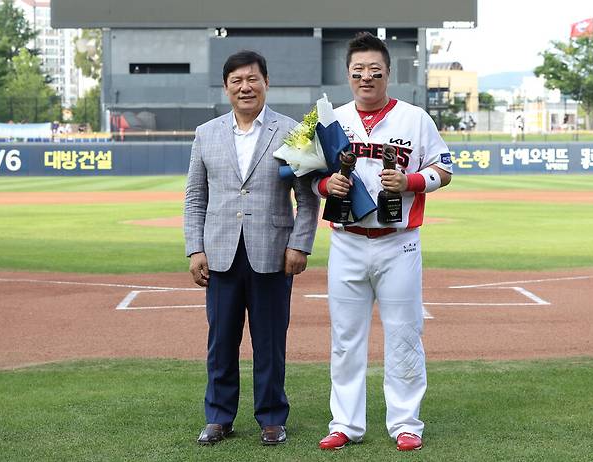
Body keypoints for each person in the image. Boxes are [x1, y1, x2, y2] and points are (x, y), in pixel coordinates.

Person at [314, 32, 453, 452]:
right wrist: (327, 184)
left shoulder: (415, 118)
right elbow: (308, 175)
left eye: (375, 70)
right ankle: (345, 423)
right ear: (348, 75)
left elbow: (444, 169)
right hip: (348, 241)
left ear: (388, 73)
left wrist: (411, 180)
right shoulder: (331, 120)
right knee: (345, 337)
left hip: (399, 243)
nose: (366, 77)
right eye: (358, 71)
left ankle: (407, 423)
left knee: (405, 333)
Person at [184, 50, 320, 446]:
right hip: (221, 252)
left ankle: (272, 417)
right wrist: (196, 249)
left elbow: (307, 197)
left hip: (274, 253)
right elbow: (195, 196)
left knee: (270, 341)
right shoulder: (206, 133)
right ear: (226, 87)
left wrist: (300, 245)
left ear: (266, 82)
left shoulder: (292, 131)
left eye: (253, 78)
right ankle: (219, 417)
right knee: (221, 341)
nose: (245, 86)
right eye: (236, 80)